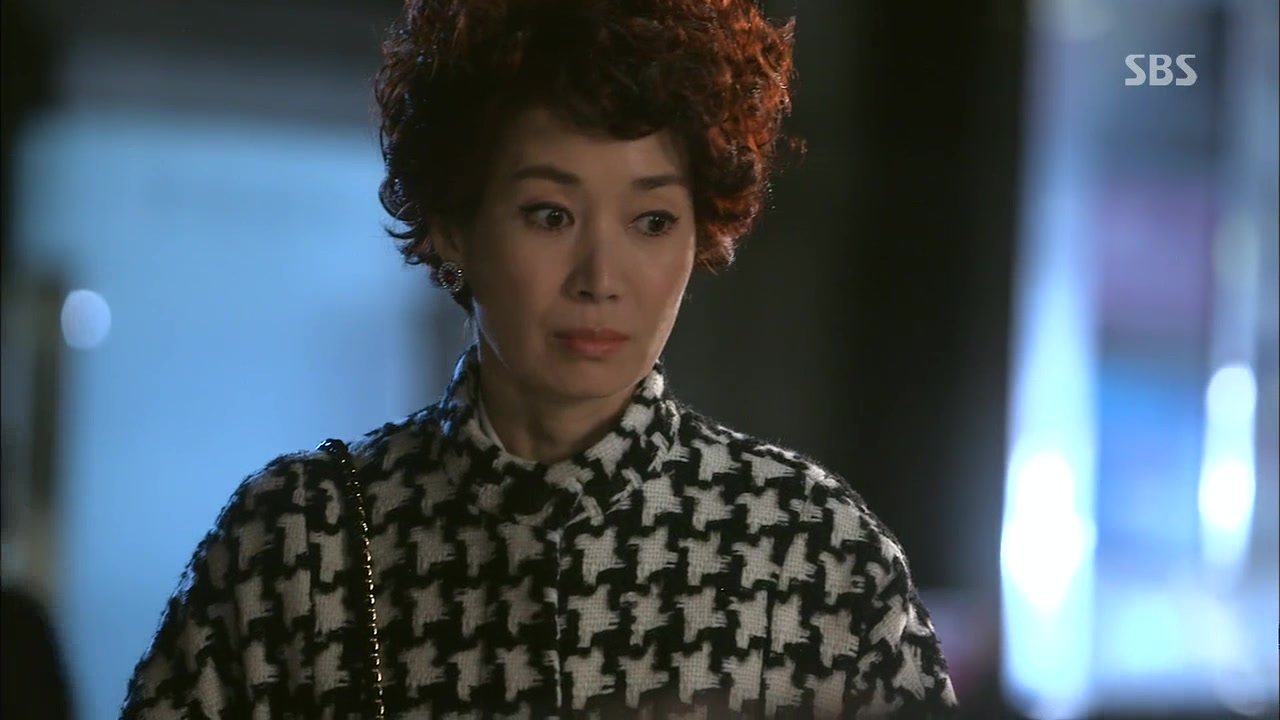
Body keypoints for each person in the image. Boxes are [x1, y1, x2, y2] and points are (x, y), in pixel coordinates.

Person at [120, 0, 958, 717]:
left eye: (652, 221)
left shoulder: (812, 552)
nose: (601, 278)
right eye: (550, 214)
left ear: (703, 231)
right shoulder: (299, 541)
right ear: (455, 224)